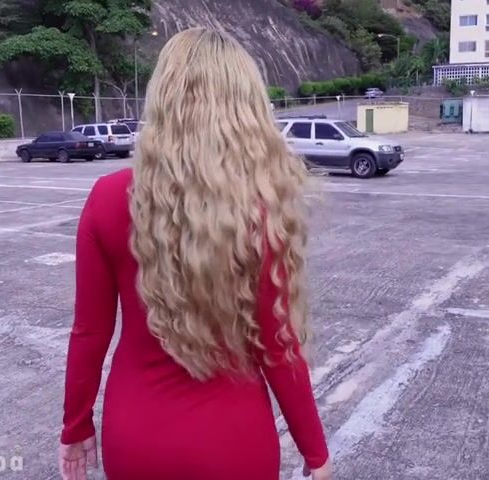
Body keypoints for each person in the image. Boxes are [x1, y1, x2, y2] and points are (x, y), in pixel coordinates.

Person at [58, 27, 332, 480]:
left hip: (136, 437)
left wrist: (76, 426)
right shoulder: (258, 210)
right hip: (234, 445)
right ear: (245, 108)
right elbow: (277, 345)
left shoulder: (106, 199)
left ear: (163, 99)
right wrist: (315, 453)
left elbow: (89, 332)